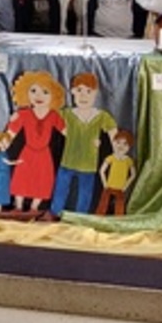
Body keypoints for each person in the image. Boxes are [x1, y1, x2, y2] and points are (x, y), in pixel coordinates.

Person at [50, 72, 117, 215]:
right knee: (60, 190)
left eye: (88, 91)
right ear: (73, 92)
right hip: (68, 161)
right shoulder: (66, 114)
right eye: (79, 90)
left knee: (85, 195)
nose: (83, 96)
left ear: (95, 93)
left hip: (88, 164)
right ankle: (55, 213)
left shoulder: (101, 116)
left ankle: (81, 217)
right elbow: (48, 118)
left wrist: (116, 150)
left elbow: (113, 131)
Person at [3, 71, 66, 211]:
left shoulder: (54, 115)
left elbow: (67, 132)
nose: (39, 96)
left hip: (44, 154)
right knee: (22, 179)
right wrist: (3, 143)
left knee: (43, 181)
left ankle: (34, 208)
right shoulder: (23, 114)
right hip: (27, 153)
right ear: (25, 93)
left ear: (53, 96)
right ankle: (18, 206)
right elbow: (11, 134)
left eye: (45, 92)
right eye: (33, 91)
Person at [95, 129, 136, 216]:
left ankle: (118, 219)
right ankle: (99, 217)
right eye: (118, 142)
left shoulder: (128, 160)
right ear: (114, 143)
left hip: (120, 188)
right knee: (103, 205)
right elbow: (102, 171)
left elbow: (133, 174)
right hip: (109, 186)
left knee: (119, 207)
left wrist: (125, 186)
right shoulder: (111, 158)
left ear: (129, 146)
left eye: (125, 144)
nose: (121, 146)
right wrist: (105, 184)